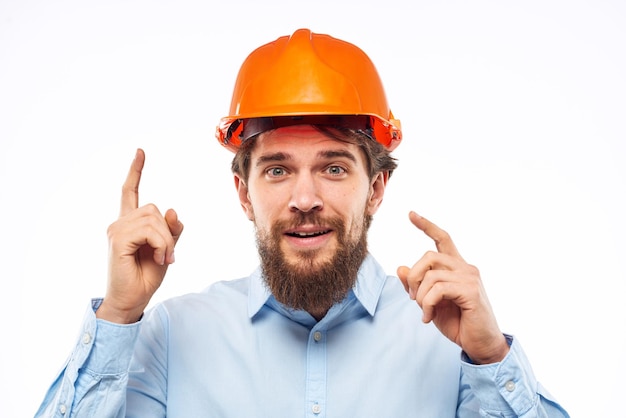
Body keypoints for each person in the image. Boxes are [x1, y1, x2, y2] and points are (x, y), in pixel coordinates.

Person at [36, 28, 569, 417]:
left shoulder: (451, 343)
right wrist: (118, 315)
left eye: (334, 168)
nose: (305, 198)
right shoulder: (172, 337)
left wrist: (490, 356)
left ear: (376, 189)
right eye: (277, 170)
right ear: (244, 193)